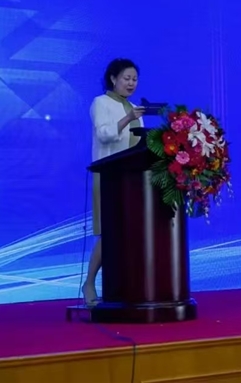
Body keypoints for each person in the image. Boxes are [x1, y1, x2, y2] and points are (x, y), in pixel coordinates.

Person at [82, 58, 145, 306]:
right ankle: (89, 283)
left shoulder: (135, 108)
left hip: (133, 179)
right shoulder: (101, 103)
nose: (131, 83)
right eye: (126, 78)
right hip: (109, 176)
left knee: (130, 232)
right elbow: (104, 134)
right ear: (113, 78)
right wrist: (128, 118)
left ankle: (125, 286)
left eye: (134, 79)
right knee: (109, 232)